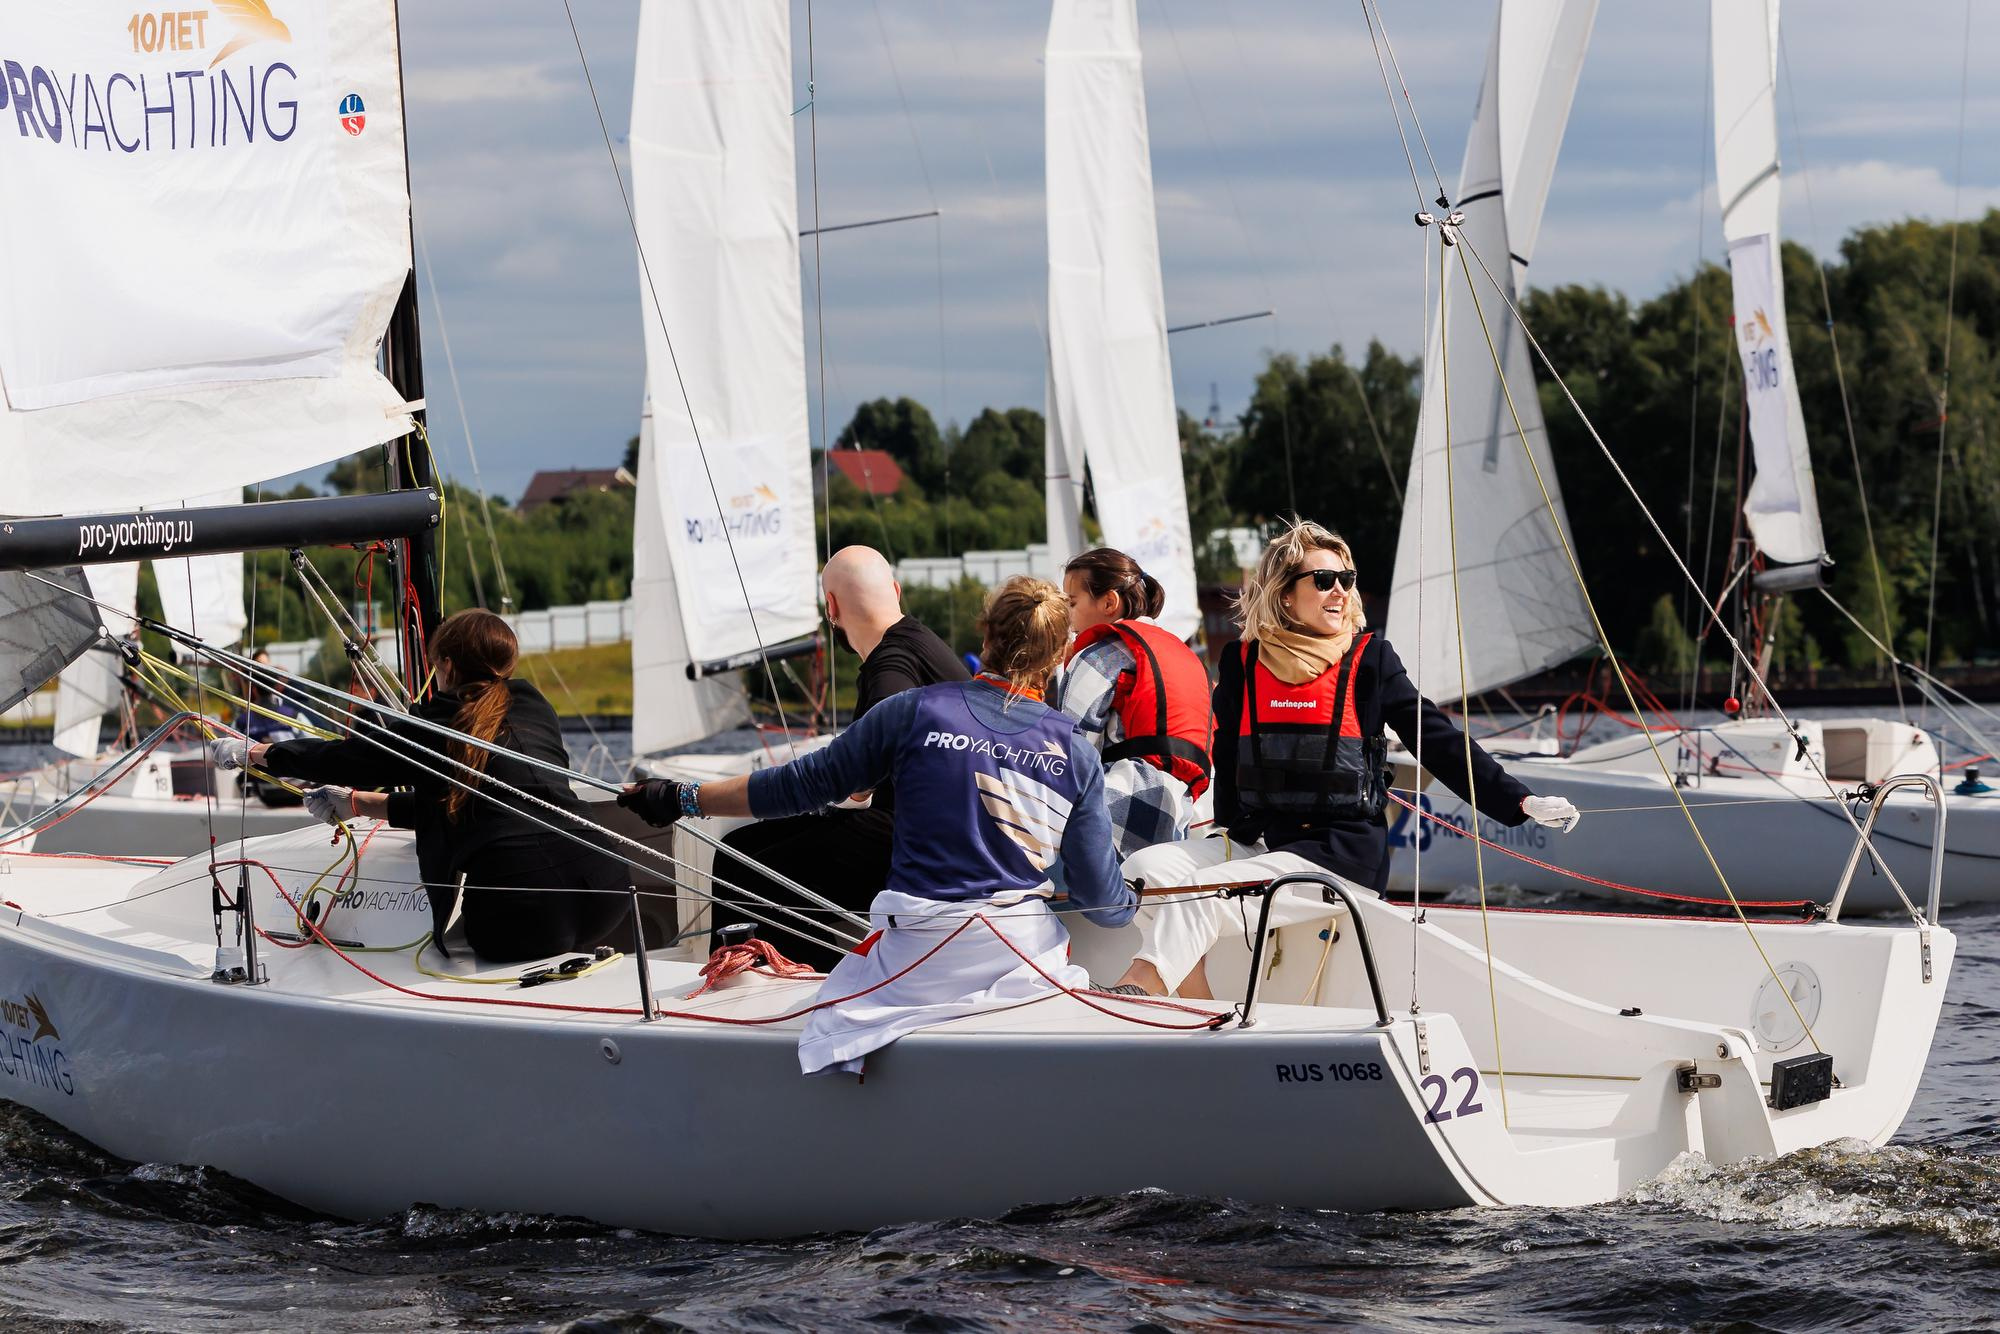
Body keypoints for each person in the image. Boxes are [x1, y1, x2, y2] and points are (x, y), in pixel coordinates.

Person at [623, 576, 1136, 1076]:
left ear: (985, 638)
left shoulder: (911, 711)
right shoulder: (1074, 751)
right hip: (1024, 962)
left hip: (920, 960)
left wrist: (680, 797)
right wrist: (1134, 894)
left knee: (826, 1007)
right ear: (1059, 658)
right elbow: (1107, 906)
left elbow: (795, 785)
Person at [1104, 519, 1579, 998]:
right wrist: (1228, 826)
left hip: (1341, 852)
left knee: (1203, 895)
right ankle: (1198, 1001)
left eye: (1346, 581)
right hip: (1260, 840)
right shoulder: (1243, 661)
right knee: (1143, 871)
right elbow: (1227, 754)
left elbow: (1435, 738)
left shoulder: (1371, 660)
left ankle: (1133, 992)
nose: (1340, 592)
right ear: (1285, 594)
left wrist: (1519, 801)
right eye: (1324, 580)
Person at [210, 609, 629, 964]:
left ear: (445, 666)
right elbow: (471, 804)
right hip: (607, 886)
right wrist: (356, 804)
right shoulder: (535, 704)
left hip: (522, 910)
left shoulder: (430, 727)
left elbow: (344, 759)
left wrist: (256, 753)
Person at [706, 545, 968, 969]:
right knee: (742, 846)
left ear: (831, 606)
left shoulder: (891, 665)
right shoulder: (922, 644)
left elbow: (865, 762)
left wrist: (853, 781)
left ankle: (797, 985)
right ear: (896, 591)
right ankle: (801, 972)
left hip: (918, 841)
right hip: (950, 832)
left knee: (748, 864)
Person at [1050, 547, 1213, 856]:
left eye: (1071, 602)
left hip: (1120, 814)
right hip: (1188, 816)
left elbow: (1071, 753)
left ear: (1109, 602)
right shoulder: (1184, 654)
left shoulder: (1098, 655)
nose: (1065, 615)